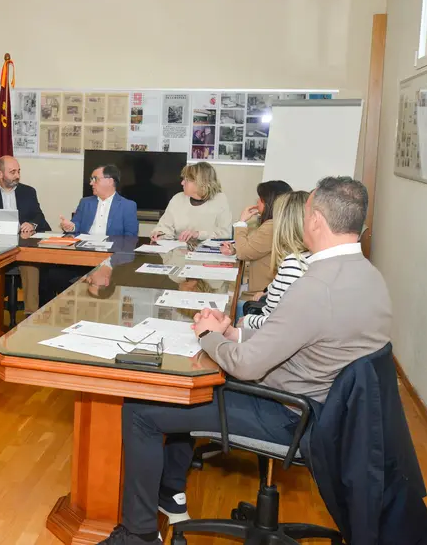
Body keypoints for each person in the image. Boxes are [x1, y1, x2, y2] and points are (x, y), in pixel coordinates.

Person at [101, 177, 390, 545]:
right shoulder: (369, 277)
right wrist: (234, 333)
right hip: (325, 412)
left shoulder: (317, 286)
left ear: (316, 220)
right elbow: (297, 338)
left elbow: (247, 366)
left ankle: (137, 535)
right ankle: (166, 497)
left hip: (289, 415)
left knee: (141, 410)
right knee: (178, 394)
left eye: (303, 214)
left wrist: (209, 336)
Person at [43, 165, 139, 303]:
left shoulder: (127, 206)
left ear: (110, 181)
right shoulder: (85, 202)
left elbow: (130, 238)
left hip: (111, 256)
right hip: (83, 256)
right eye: (91, 179)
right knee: (50, 273)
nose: (91, 183)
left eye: (95, 179)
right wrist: (70, 226)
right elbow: (76, 225)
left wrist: (107, 262)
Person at [0, 155, 49, 310]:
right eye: (13, 172)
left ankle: (31, 315)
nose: (17, 176)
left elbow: (40, 217)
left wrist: (32, 224)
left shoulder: (28, 192)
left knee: (31, 266)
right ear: (0, 174)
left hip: (22, 248)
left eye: (18, 171)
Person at [242, 190, 311, 329]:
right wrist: (267, 291)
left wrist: (245, 322)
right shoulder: (310, 256)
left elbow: (277, 324)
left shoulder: (294, 263)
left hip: (268, 333)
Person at [220, 180, 292, 297]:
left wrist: (241, 222)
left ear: (269, 202)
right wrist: (234, 249)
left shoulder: (271, 226)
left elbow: (244, 252)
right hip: (263, 288)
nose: (257, 202)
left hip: (260, 295)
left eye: (260, 198)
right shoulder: (278, 223)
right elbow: (253, 248)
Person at [149, 162, 232, 243]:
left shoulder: (220, 200)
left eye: (186, 180)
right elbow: (165, 227)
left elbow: (225, 234)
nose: (182, 183)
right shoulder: (177, 198)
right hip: (179, 252)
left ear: (200, 183)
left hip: (208, 254)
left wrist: (198, 234)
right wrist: (160, 233)